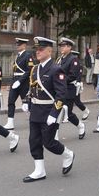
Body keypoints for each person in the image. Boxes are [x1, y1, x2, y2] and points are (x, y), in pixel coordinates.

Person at [23, 36, 74, 183]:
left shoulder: (56, 69)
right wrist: (27, 101)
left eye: (41, 49)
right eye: (36, 49)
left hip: (49, 111)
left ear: (49, 51)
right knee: (34, 140)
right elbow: (32, 88)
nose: (37, 52)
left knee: (49, 142)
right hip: (36, 110)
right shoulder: (35, 69)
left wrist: (54, 113)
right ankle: (39, 170)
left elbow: (61, 94)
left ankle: (67, 154)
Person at [56, 37, 85, 139]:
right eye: (61, 46)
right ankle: (55, 134)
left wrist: (60, 81)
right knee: (57, 110)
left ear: (69, 47)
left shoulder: (73, 59)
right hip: (59, 89)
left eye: (64, 46)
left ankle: (80, 125)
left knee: (68, 113)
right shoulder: (60, 59)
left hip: (68, 89)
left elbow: (72, 75)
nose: (61, 48)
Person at [3, 38, 34, 130]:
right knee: (10, 101)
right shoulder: (18, 56)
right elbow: (14, 71)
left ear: (24, 45)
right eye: (17, 44)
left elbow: (29, 71)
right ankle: (10, 122)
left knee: (27, 105)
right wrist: (12, 82)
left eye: (19, 44)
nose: (17, 46)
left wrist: (19, 81)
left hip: (23, 83)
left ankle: (34, 120)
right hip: (15, 82)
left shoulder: (28, 55)